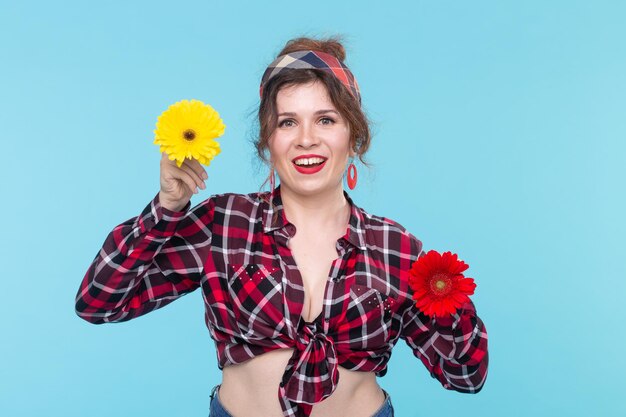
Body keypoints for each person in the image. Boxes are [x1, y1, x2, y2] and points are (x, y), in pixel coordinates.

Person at [75, 36, 489, 417]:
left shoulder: (396, 247)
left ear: (354, 136)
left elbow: (466, 377)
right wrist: (167, 208)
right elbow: (99, 302)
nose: (306, 138)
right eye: (287, 122)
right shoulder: (224, 223)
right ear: (267, 140)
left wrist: (448, 298)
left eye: (326, 119)